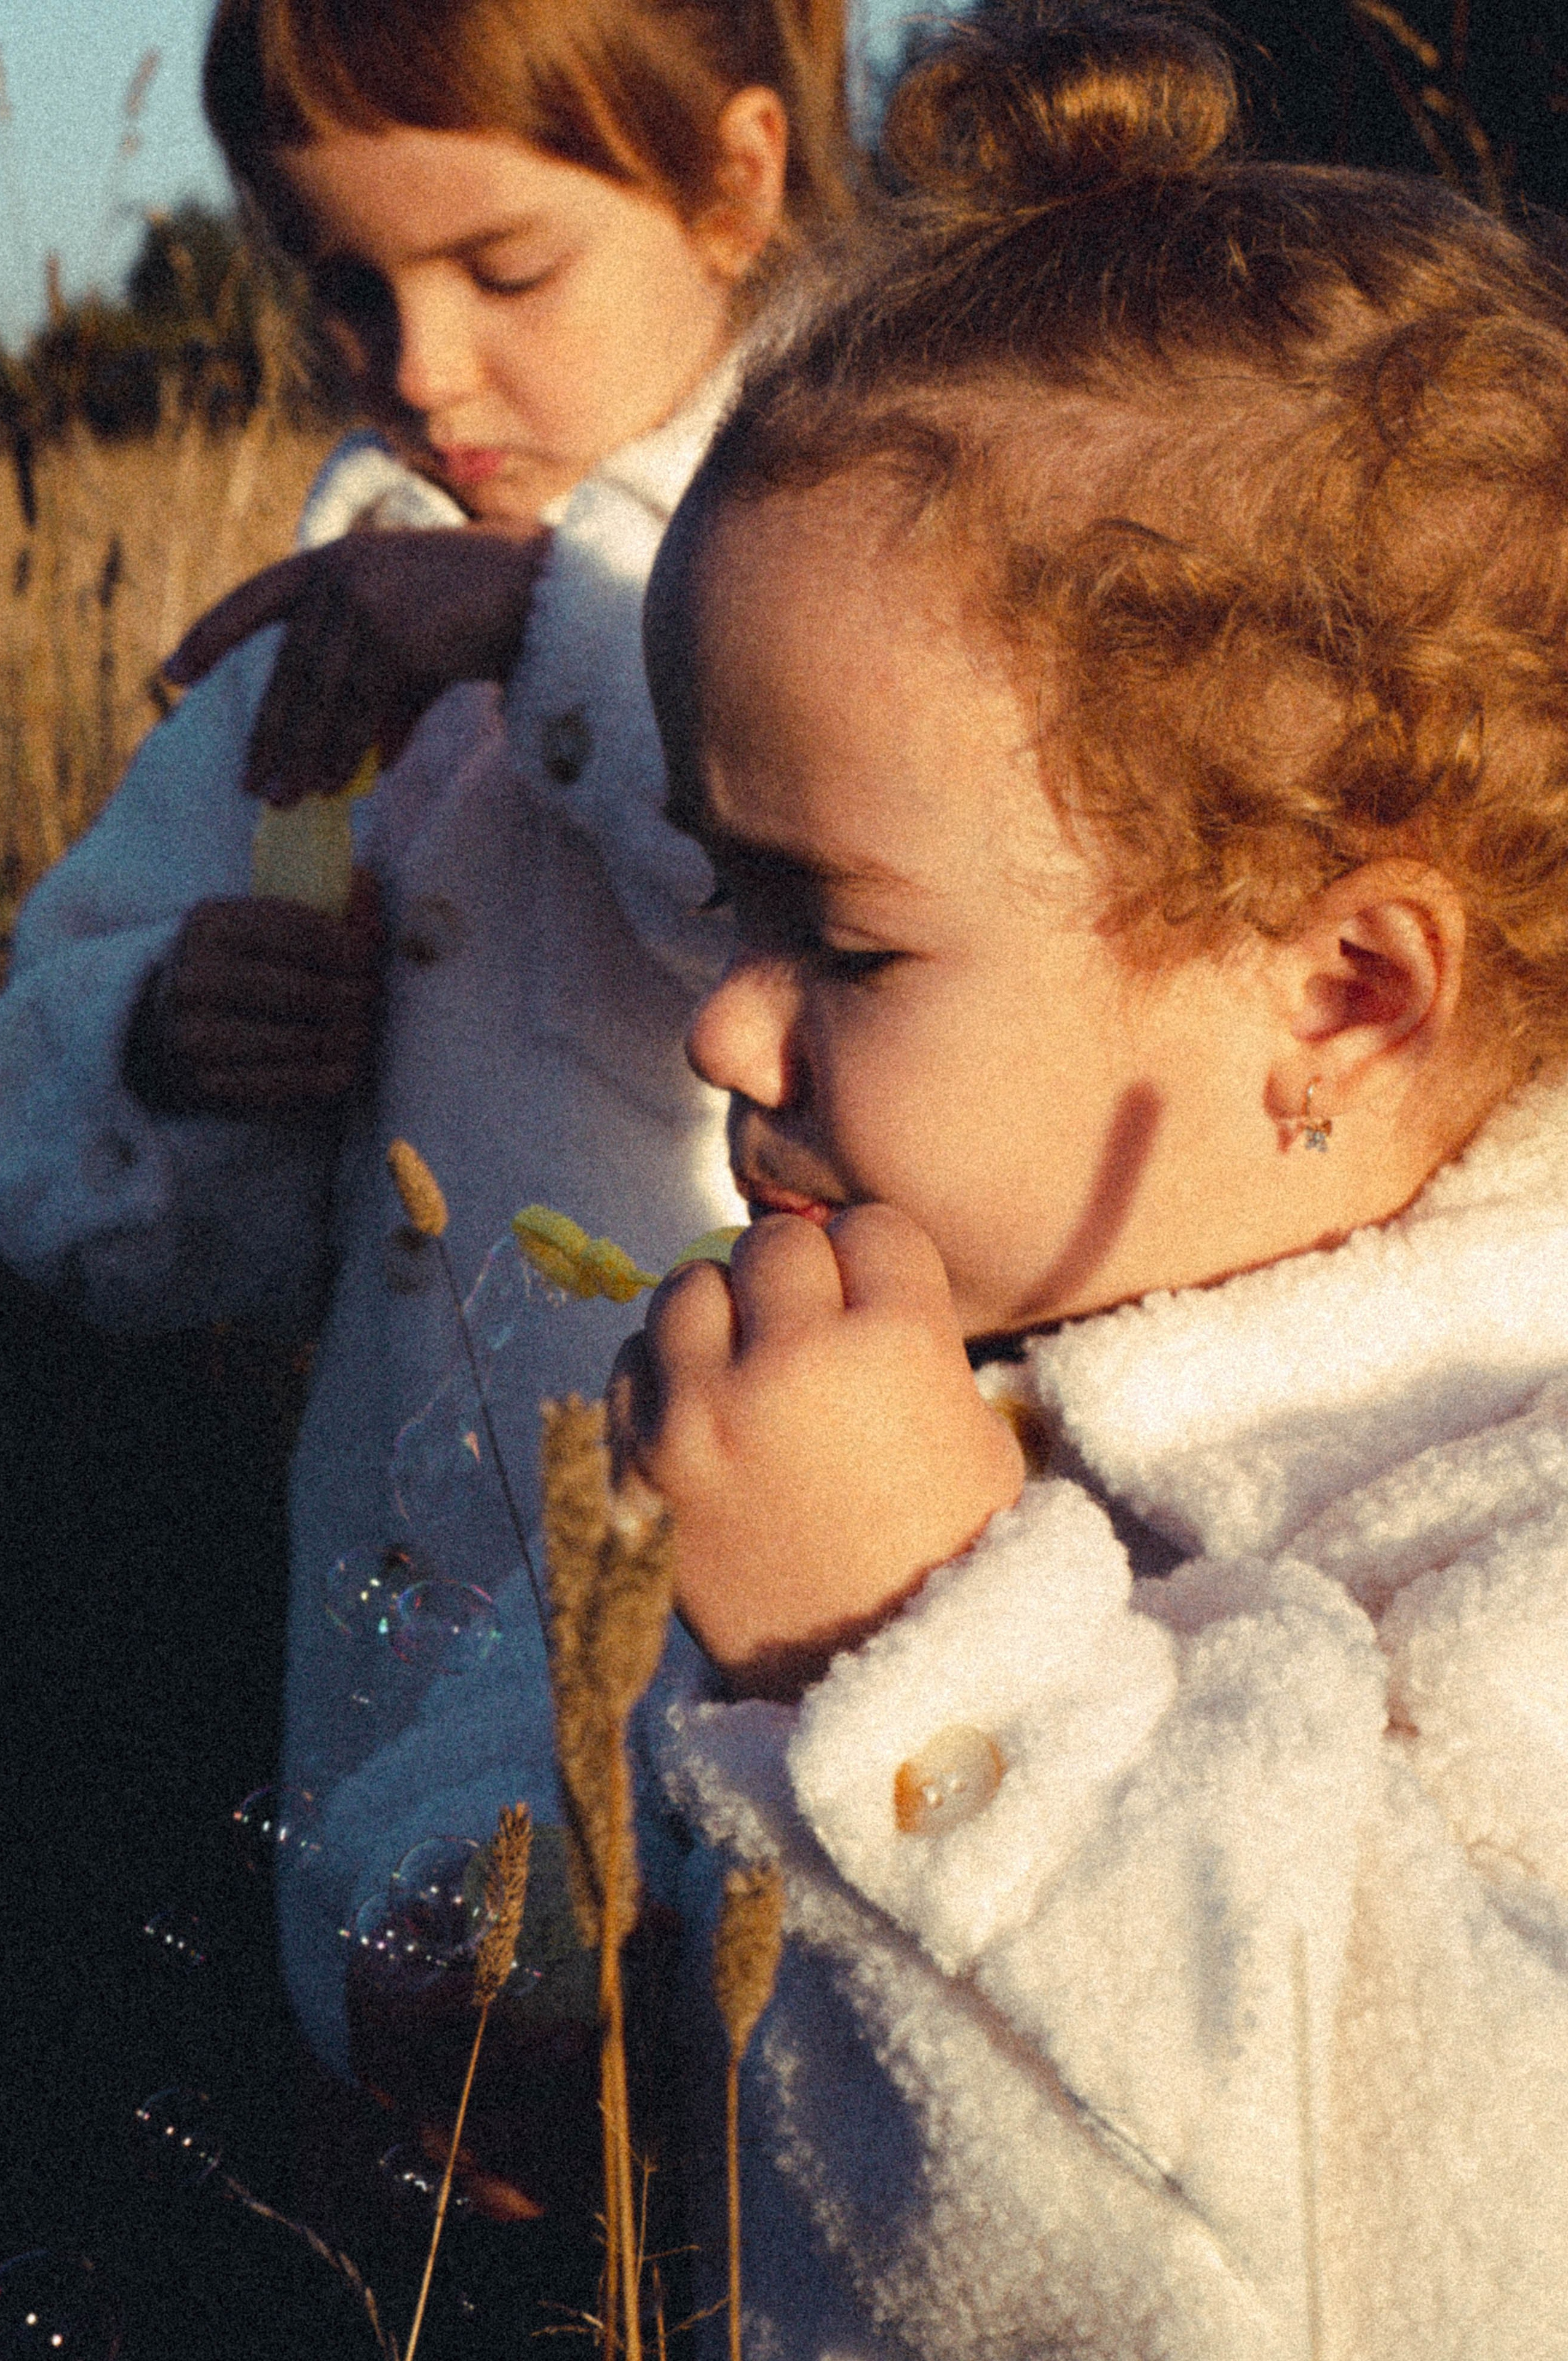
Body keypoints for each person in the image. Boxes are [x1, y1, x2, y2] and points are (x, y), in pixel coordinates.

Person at [612, 4, 1568, 2352]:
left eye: (836, 935)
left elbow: (1440, 2253)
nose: (729, 1025)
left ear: (1345, 988)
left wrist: (923, 1644)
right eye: (726, 907)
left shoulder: (1515, 1543)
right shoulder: (983, 1353)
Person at [0, 0, 853, 2080]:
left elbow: (872, 936)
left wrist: (546, 626)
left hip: (772, 1714)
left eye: (505, 269)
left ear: (734, 182)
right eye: (342, 283)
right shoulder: (327, 614)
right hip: (392, 1699)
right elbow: (50, 1136)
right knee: (433, 2182)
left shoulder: (873, 539)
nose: (418, 364)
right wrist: (164, 1039)